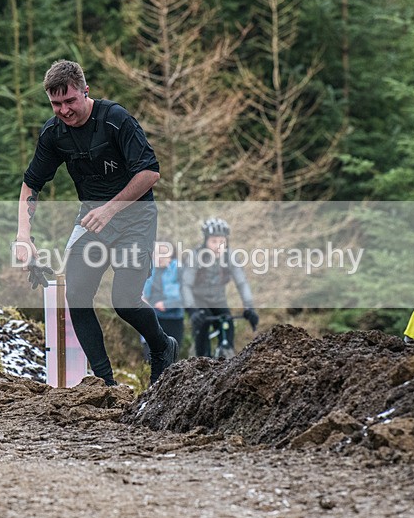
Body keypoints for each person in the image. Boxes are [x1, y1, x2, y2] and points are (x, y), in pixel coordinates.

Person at [14, 59, 178, 386]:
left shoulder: (116, 120)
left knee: (124, 301)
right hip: (92, 221)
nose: (63, 110)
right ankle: (105, 384)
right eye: (55, 103)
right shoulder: (54, 133)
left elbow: (150, 173)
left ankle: (162, 346)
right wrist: (23, 234)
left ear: (85, 92)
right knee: (76, 293)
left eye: (70, 101)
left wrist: (109, 209)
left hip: (135, 218)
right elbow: (31, 184)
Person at [181, 218, 259, 357]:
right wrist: (192, 310)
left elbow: (242, 283)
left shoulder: (230, 256)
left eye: (222, 242)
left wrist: (249, 307)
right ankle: (199, 359)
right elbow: (186, 285)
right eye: (214, 241)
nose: (218, 246)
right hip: (199, 301)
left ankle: (227, 356)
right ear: (206, 241)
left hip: (219, 300)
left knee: (227, 329)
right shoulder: (195, 256)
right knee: (202, 332)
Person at [141, 239, 184, 362]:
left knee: (170, 359)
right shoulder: (147, 269)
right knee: (150, 358)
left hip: (173, 319)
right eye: (157, 252)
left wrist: (167, 304)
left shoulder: (178, 269)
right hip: (152, 317)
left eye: (164, 252)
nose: (160, 256)